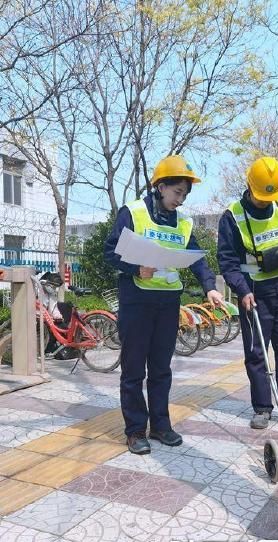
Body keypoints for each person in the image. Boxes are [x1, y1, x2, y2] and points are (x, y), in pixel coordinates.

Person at [105, 155, 223, 455]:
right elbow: (109, 253)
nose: (180, 201)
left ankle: (160, 425)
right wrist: (136, 268)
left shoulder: (183, 223)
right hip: (136, 301)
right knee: (133, 370)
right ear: (160, 186)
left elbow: (196, 257)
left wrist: (210, 288)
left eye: (184, 195)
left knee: (161, 369)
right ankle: (134, 431)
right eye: (176, 193)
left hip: (168, 303)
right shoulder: (132, 212)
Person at [217, 156, 278, 432]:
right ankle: (262, 408)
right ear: (249, 186)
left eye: (269, 197)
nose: (265, 202)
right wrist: (242, 290)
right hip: (254, 292)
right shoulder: (232, 216)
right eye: (261, 197)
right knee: (257, 355)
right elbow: (226, 261)